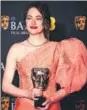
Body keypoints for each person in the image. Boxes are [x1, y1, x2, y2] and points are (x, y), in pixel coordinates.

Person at [2, 2, 87, 110]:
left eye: (38, 18)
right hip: (24, 106)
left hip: (52, 106)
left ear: (45, 22)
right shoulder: (16, 49)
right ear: (25, 21)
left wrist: (52, 99)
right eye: (29, 18)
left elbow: (67, 87)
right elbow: (5, 86)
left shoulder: (57, 48)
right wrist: (28, 93)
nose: (33, 22)